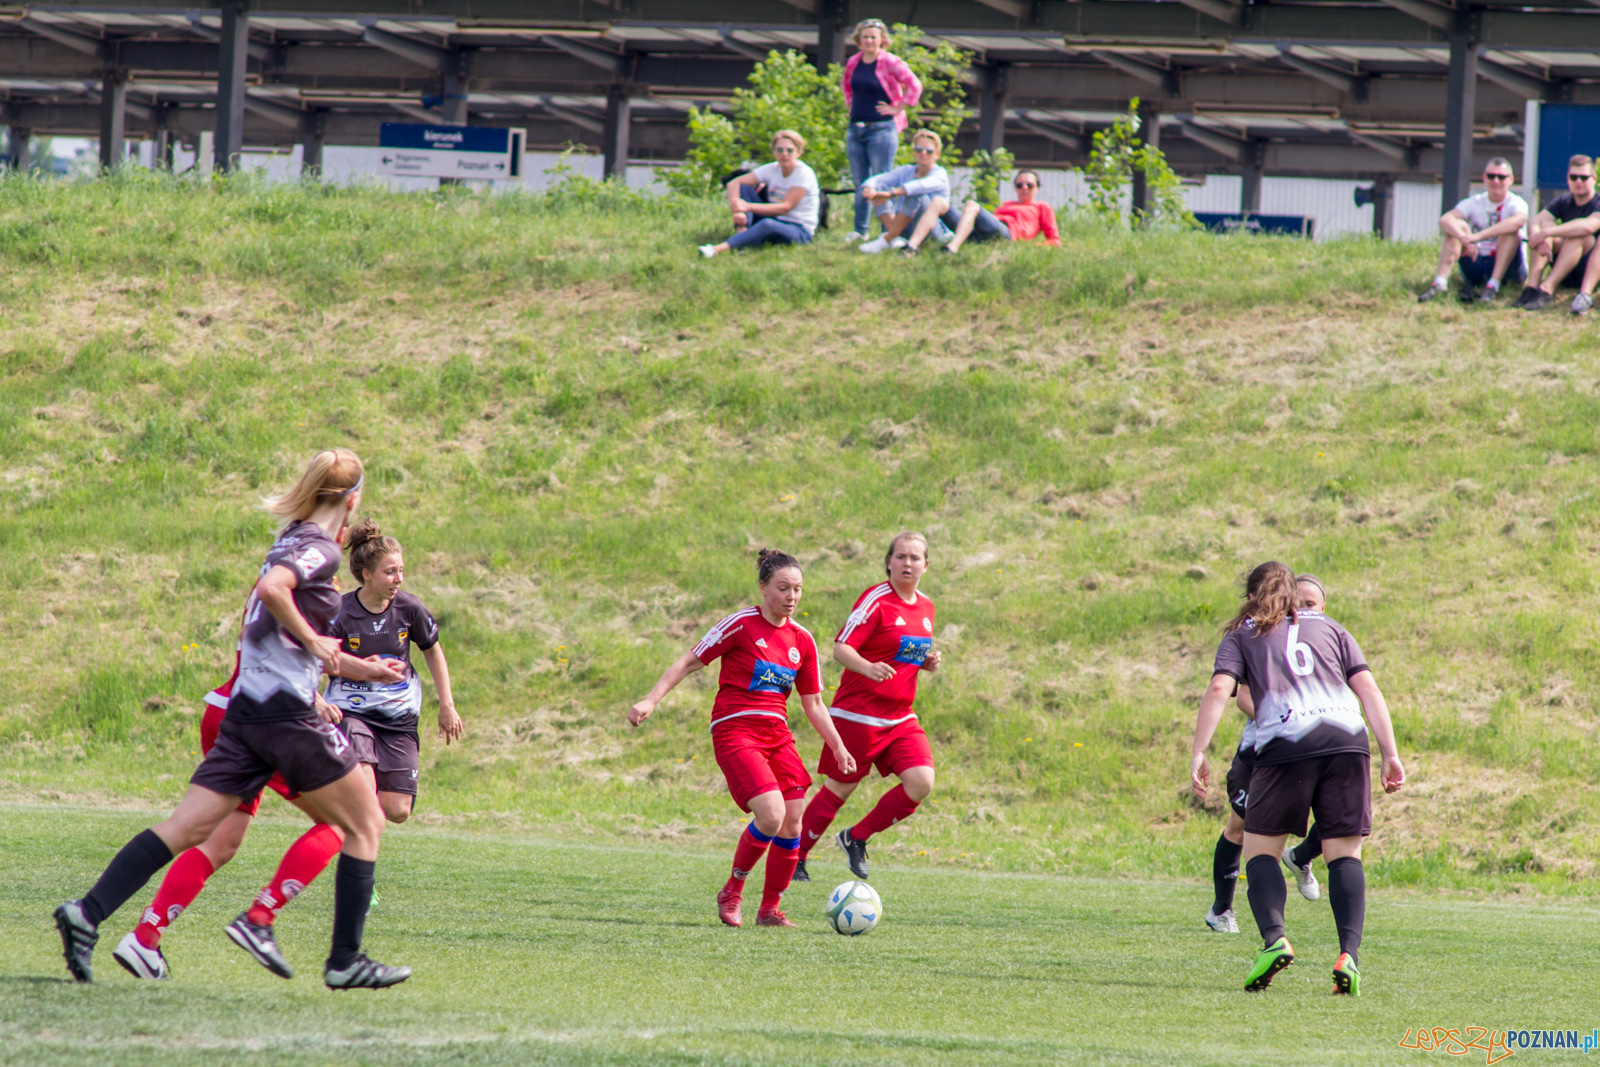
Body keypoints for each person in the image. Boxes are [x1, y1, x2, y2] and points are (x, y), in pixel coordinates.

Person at [55, 449, 413, 989]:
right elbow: (274, 593)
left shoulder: (290, 537)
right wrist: (319, 641)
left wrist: (360, 667)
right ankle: (341, 959)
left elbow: (278, 621)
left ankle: (88, 912)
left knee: (189, 829)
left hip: (245, 712)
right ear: (352, 498)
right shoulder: (318, 548)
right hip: (286, 715)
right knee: (364, 823)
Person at [1190, 562, 1404, 996]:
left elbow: (1219, 690)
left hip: (1285, 744)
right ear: (1293, 594)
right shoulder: (1330, 626)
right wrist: (1390, 753)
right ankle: (1349, 955)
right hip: (1348, 741)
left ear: (1252, 596)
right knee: (1345, 854)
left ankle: (1275, 939)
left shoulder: (1244, 632)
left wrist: (1198, 751)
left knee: (1260, 849)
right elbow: (1369, 690)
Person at [626, 550, 857, 928]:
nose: (791, 596)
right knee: (771, 815)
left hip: (777, 736)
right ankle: (732, 891)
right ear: (763, 588)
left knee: (793, 822)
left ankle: (769, 910)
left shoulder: (803, 640)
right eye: (783, 588)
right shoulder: (740, 625)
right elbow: (689, 660)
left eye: (798, 589)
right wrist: (651, 699)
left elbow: (813, 703)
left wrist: (838, 745)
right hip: (735, 729)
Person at [110, 641, 349, 980]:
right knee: (346, 820)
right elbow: (287, 646)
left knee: (220, 843)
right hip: (267, 718)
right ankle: (260, 918)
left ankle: (146, 936)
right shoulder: (301, 588)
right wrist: (320, 695)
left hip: (230, 708)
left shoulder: (274, 587)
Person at [794, 532, 941, 884]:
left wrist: (925, 662)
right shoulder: (876, 600)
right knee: (840, 789)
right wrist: (868, 667)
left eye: (915, 558)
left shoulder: (926, 606)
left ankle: (856, 837)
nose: (908, 563)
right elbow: (841, 648)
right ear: (889, 561)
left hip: (901, 716)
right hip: (858, 713)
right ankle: (795, 856)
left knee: (922, 781)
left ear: (926, 565)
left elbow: (901, 652)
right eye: (901, 556)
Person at [1205, 573, 1329, 935]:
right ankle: (1222, 909)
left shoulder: (1325, 638)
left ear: (1324, 608)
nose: (1302, 609)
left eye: (1310, 604)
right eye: (1297, 603)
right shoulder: (1268, 635)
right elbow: (1240, 694)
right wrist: (1288, 714)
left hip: (1313, 750)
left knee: (1341, 817)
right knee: (1240, 829)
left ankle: (1302, 857)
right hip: (1261, 753)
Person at [324, 519, 461, 825]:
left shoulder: (409, 609)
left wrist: (447, 705)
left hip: (399, 717)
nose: (399, 578)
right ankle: (349, 825)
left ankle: (350, 813)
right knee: (363, 797)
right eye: (390, 571)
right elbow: (316, 658)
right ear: (367, 575)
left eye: (401, 570)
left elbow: (433, 651)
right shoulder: (340, 613)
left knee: (398, 811)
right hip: (352, 713)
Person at [841, 19, 922, 242]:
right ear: (859, 40)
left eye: (873, 37)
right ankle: (860, 230)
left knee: (881, 181)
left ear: (882, 40)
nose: (869, 41)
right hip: (856, 127)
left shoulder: (890, 62)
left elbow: (914, 84)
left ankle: (888, 231)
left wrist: (898, 108)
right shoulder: (854, 62)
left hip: (882, 128)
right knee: (860, 182)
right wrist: (851, 107)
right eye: (865, 37)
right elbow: (847, 86)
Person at [1416, 158, 1527, 304]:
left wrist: (1477, 236)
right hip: (1477, 261)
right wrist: (1464, 237)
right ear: (1484, 178)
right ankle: (1439, 284)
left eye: (1501, 177)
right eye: (1491, 176)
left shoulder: (1516, 202)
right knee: (1456, 227)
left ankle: (1493, 287)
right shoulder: (1475, 202)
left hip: (1509, 269)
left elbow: (1518, 221)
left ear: (1511, 179)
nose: (1495, 181)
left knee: (1510, 234)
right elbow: (1445, 219)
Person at [698, 131, 820, 258]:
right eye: (779, 150)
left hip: (799, 230)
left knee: (767, 224)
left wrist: (748, 207)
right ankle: (741, 235)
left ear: (798, 152)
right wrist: (737, 208)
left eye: (789, 150)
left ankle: (716, 249)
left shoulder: (804, 173)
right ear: (773, 152)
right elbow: (734, 183)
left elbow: (785, 208)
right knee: (744, 188)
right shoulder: (772, 168)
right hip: (776, 220)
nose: (784, 154)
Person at [900, 170, 1062, 257]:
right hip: (983, 230)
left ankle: (952, 248)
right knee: (938, 202)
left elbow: (1054, 240)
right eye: (1020, 185)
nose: (1024, 188)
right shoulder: (1007, 204)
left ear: (1037, 188)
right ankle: (911, 247)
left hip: (1007, 234)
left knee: (972, 204)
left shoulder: (1041, 206)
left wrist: (1033, 247)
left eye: (1029, 185)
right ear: (1015, 188)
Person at [1513, 155, 1599, 311]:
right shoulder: (1564, 200)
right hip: (1564, 269)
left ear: (1594, 178)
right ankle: (1531, 288)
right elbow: (1535, 221)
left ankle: (1547, 290)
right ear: (1567, 179)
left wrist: (1547, 232)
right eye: (1574, 177)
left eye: (1583, 177)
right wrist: (1540, 236)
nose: (1578, 182)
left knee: (1578, 235)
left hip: (1589, 270)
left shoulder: (1598, 202)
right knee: (1544, 225)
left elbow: (1589, 226)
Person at [858, 130, 950, 255]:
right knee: (880, 186)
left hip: (932, 229)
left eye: (929, 151)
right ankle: (895, 238)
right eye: (919, 149)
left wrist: (891, 194)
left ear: (937, 154)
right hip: (906, 226)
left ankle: (887, 239)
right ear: (914, 152)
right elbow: (879, 179)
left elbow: (920, 185)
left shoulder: (940, 173)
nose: (923, 153)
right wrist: (869, 188)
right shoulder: (907, 170)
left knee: (914, 192)